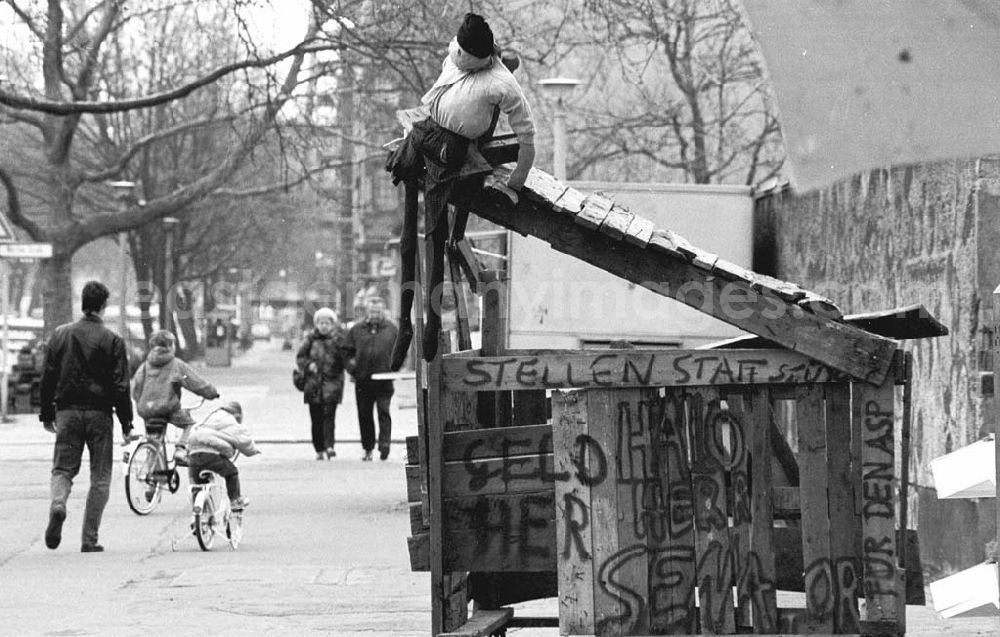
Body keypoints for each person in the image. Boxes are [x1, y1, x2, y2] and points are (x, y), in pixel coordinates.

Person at [389, 12, 535, 368]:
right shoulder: (458, 53)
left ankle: (430, 324)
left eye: (463, 56)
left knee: (433, 235)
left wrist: (516, 180)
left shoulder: (502, 84)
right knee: (409, 227)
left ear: (480, 59)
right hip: (426, 130)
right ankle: (404, 325)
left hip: (451, 150)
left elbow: (527, 136)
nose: (455, 56)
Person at [39, 280, 133, 553]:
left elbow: (48, 377)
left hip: (67, 412)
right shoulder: (113, 340)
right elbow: (120, 385)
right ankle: (89, 539)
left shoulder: (60, 335)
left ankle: (58, 503)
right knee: (100, 476)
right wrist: (126, 422)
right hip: (100, 415)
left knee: (63, 469)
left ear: (82, 302)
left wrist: (47, 413)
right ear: (104, 306)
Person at [132, 329, 220, 465]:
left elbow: (136, 388)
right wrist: (211, 392)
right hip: (168, 409)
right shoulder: (176, 366)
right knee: (191, 426)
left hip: (147, 411)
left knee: (153, 442)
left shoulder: (144, 367)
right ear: (169, 346)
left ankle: (152, 476)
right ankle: (180, 449)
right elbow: (194, 382)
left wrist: (143, 402)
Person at [345, 296, 398, 461]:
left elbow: (401, 351)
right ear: (367, 312)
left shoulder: (392, 329)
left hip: (384, 380)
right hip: (363, 381)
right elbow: (346, 352)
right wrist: (353, 369)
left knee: (384, 412)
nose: (375, 314)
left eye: (378, 311)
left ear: (383, 311)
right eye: (372, 311)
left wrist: (395, 368)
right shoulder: (356, 330)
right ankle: (368, 448)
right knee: (365, 415)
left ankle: (385, 445)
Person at [295, 307, 349, 460]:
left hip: (332, 384)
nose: (324, 326)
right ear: (316, 324)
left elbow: (345, 358)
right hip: (313, 385)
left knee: (329, 417)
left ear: (332, 324)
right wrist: (308, 365)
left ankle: (330, 446)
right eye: (321, 323)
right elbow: (300, 357)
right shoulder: (310, 339)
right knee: (316, 418)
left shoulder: (338, 340)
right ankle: (319, 448)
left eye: (327, 323)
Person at [186, 401, 259, 510]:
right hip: (211, 454)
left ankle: (198, 511)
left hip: (193, 454)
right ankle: (235, 500)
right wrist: (254, 450)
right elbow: (243, 440)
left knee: (198, 484)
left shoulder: (209, 418)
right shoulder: (230, 420)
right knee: (231, 472)